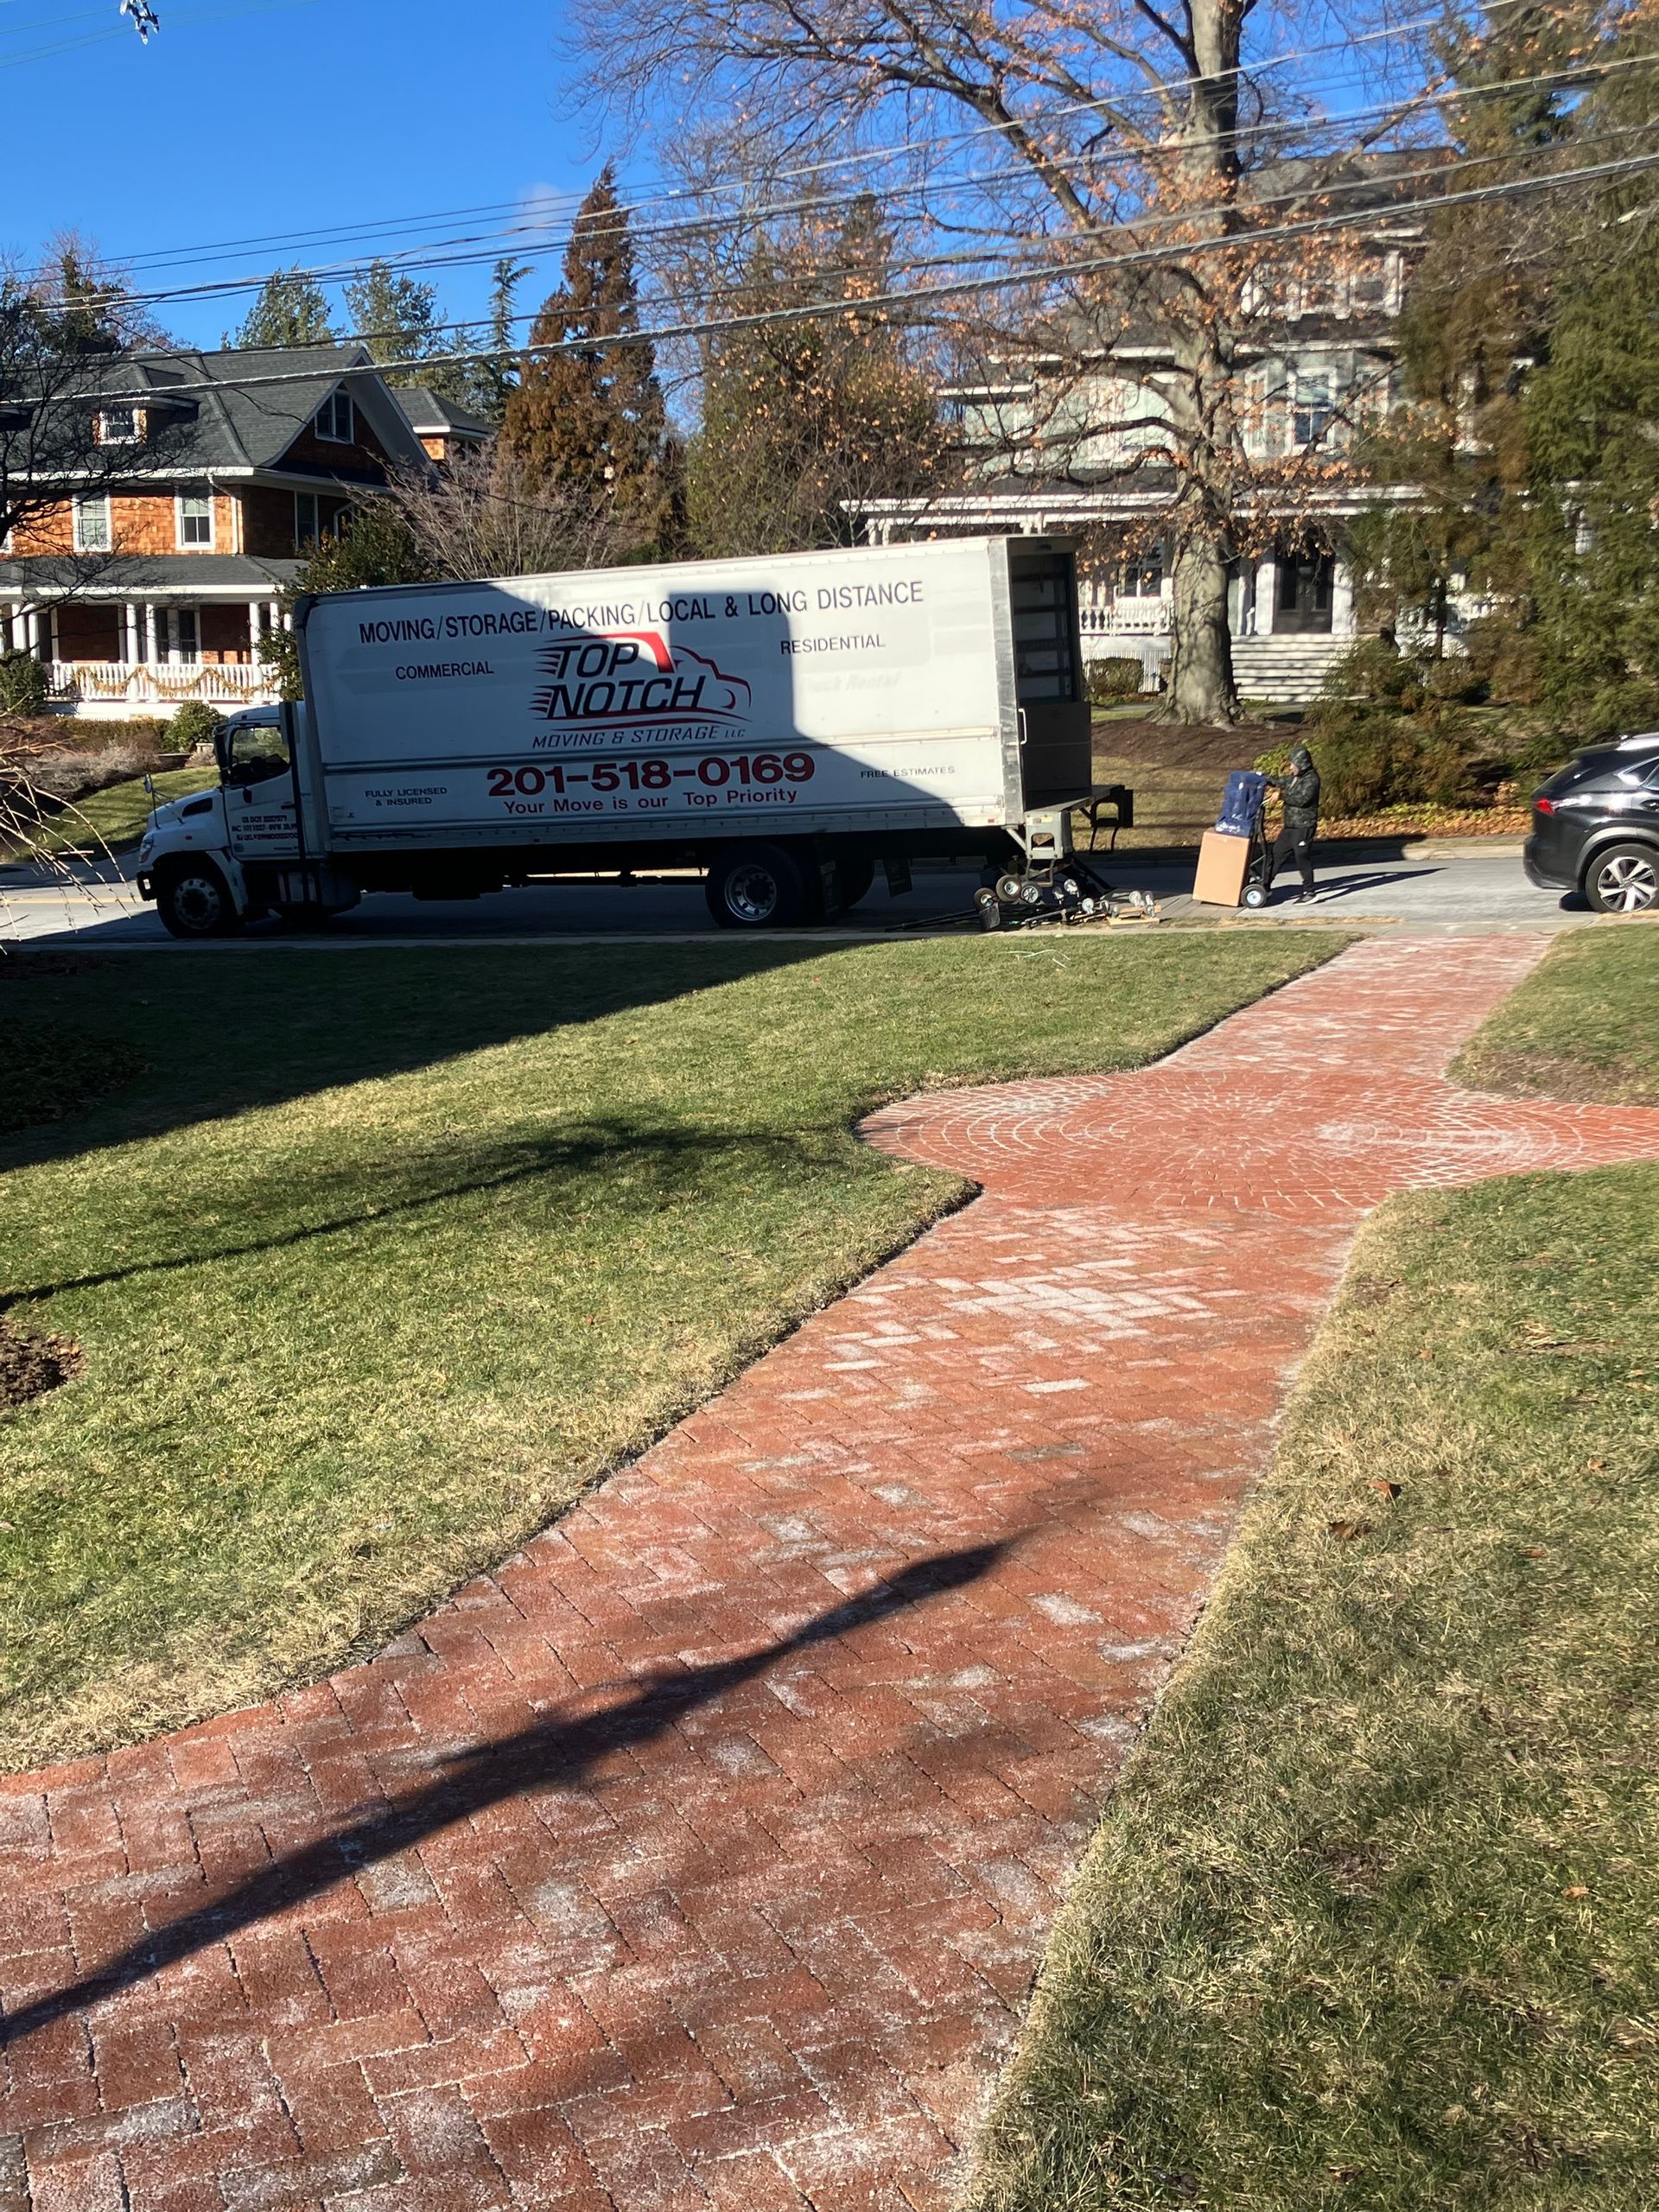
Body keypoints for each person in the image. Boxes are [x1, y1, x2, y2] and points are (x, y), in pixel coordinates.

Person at [1264, 742, 1320, 903]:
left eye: (1292, 764)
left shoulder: (1312, 780)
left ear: (1301, 764)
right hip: (1290, 825)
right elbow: (1281, 781)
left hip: (1304, 826)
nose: (1290, 768)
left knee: (1302, 856)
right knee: (1277, 853)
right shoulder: (1295, 777)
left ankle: (1310, 892)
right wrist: (1263, 778)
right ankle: (1265, 886)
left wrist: (1281, 797)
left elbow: (1301, 800)